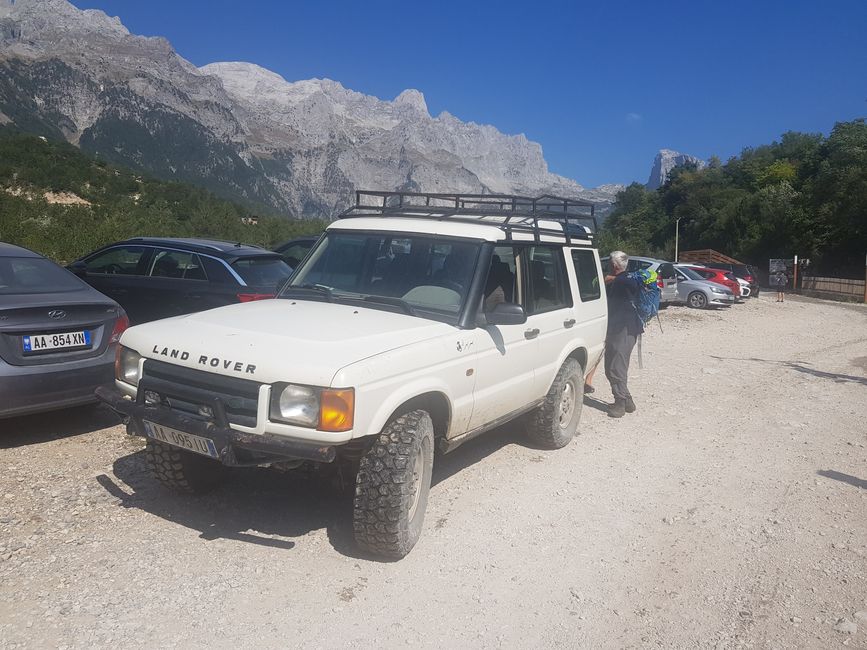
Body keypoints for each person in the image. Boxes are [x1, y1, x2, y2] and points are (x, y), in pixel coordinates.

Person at [604, 251, 643, 418]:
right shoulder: (628, 278)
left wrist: (612, 280)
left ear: (614, 265)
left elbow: (626, 285)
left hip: (623, 329)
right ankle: (627, 401)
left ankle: (620, 403)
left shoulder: (622, 281)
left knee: (615, 367)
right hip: (629, 328)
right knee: (614, 366)